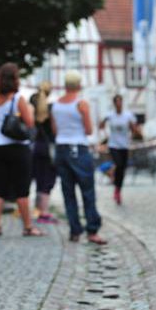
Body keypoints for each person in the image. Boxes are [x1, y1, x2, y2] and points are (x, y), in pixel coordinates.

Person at [0, 63, 43, 237]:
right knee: (21, 188)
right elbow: (30, 123)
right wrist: (31, 111)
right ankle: (27, 226)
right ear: (15, 79)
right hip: (17, 148)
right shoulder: (18, 99)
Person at [52, 70, 107, 245]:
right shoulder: (81, 103)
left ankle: (75, 230)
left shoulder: (55, 105)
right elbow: (89, 129)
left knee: (68, 192)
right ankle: (92, 230)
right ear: (79, 85)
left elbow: (55, 131)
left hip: (61, 149)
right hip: (78, 148)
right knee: (87, 190)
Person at [99, 94, 140, 205]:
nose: (118, 104)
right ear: (114, 103)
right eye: (116, 102)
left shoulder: (127, 115)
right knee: (119, 164)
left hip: (124, 145)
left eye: (120, 102)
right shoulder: (110, 115)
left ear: (122, 103)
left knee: (122, 169)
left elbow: (135, 130)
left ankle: (118, 190)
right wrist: (105, 133)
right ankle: (115, 183)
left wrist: (133, 131)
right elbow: (101, 125)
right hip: (113, 145)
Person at [30, 81, 58, 224]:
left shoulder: (32, 105)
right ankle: (44, 212)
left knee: (39, 179)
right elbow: (54, 130)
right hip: (48, 148)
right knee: (48, 180)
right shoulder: (51, 109)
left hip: (35, 147)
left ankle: (38, 209)